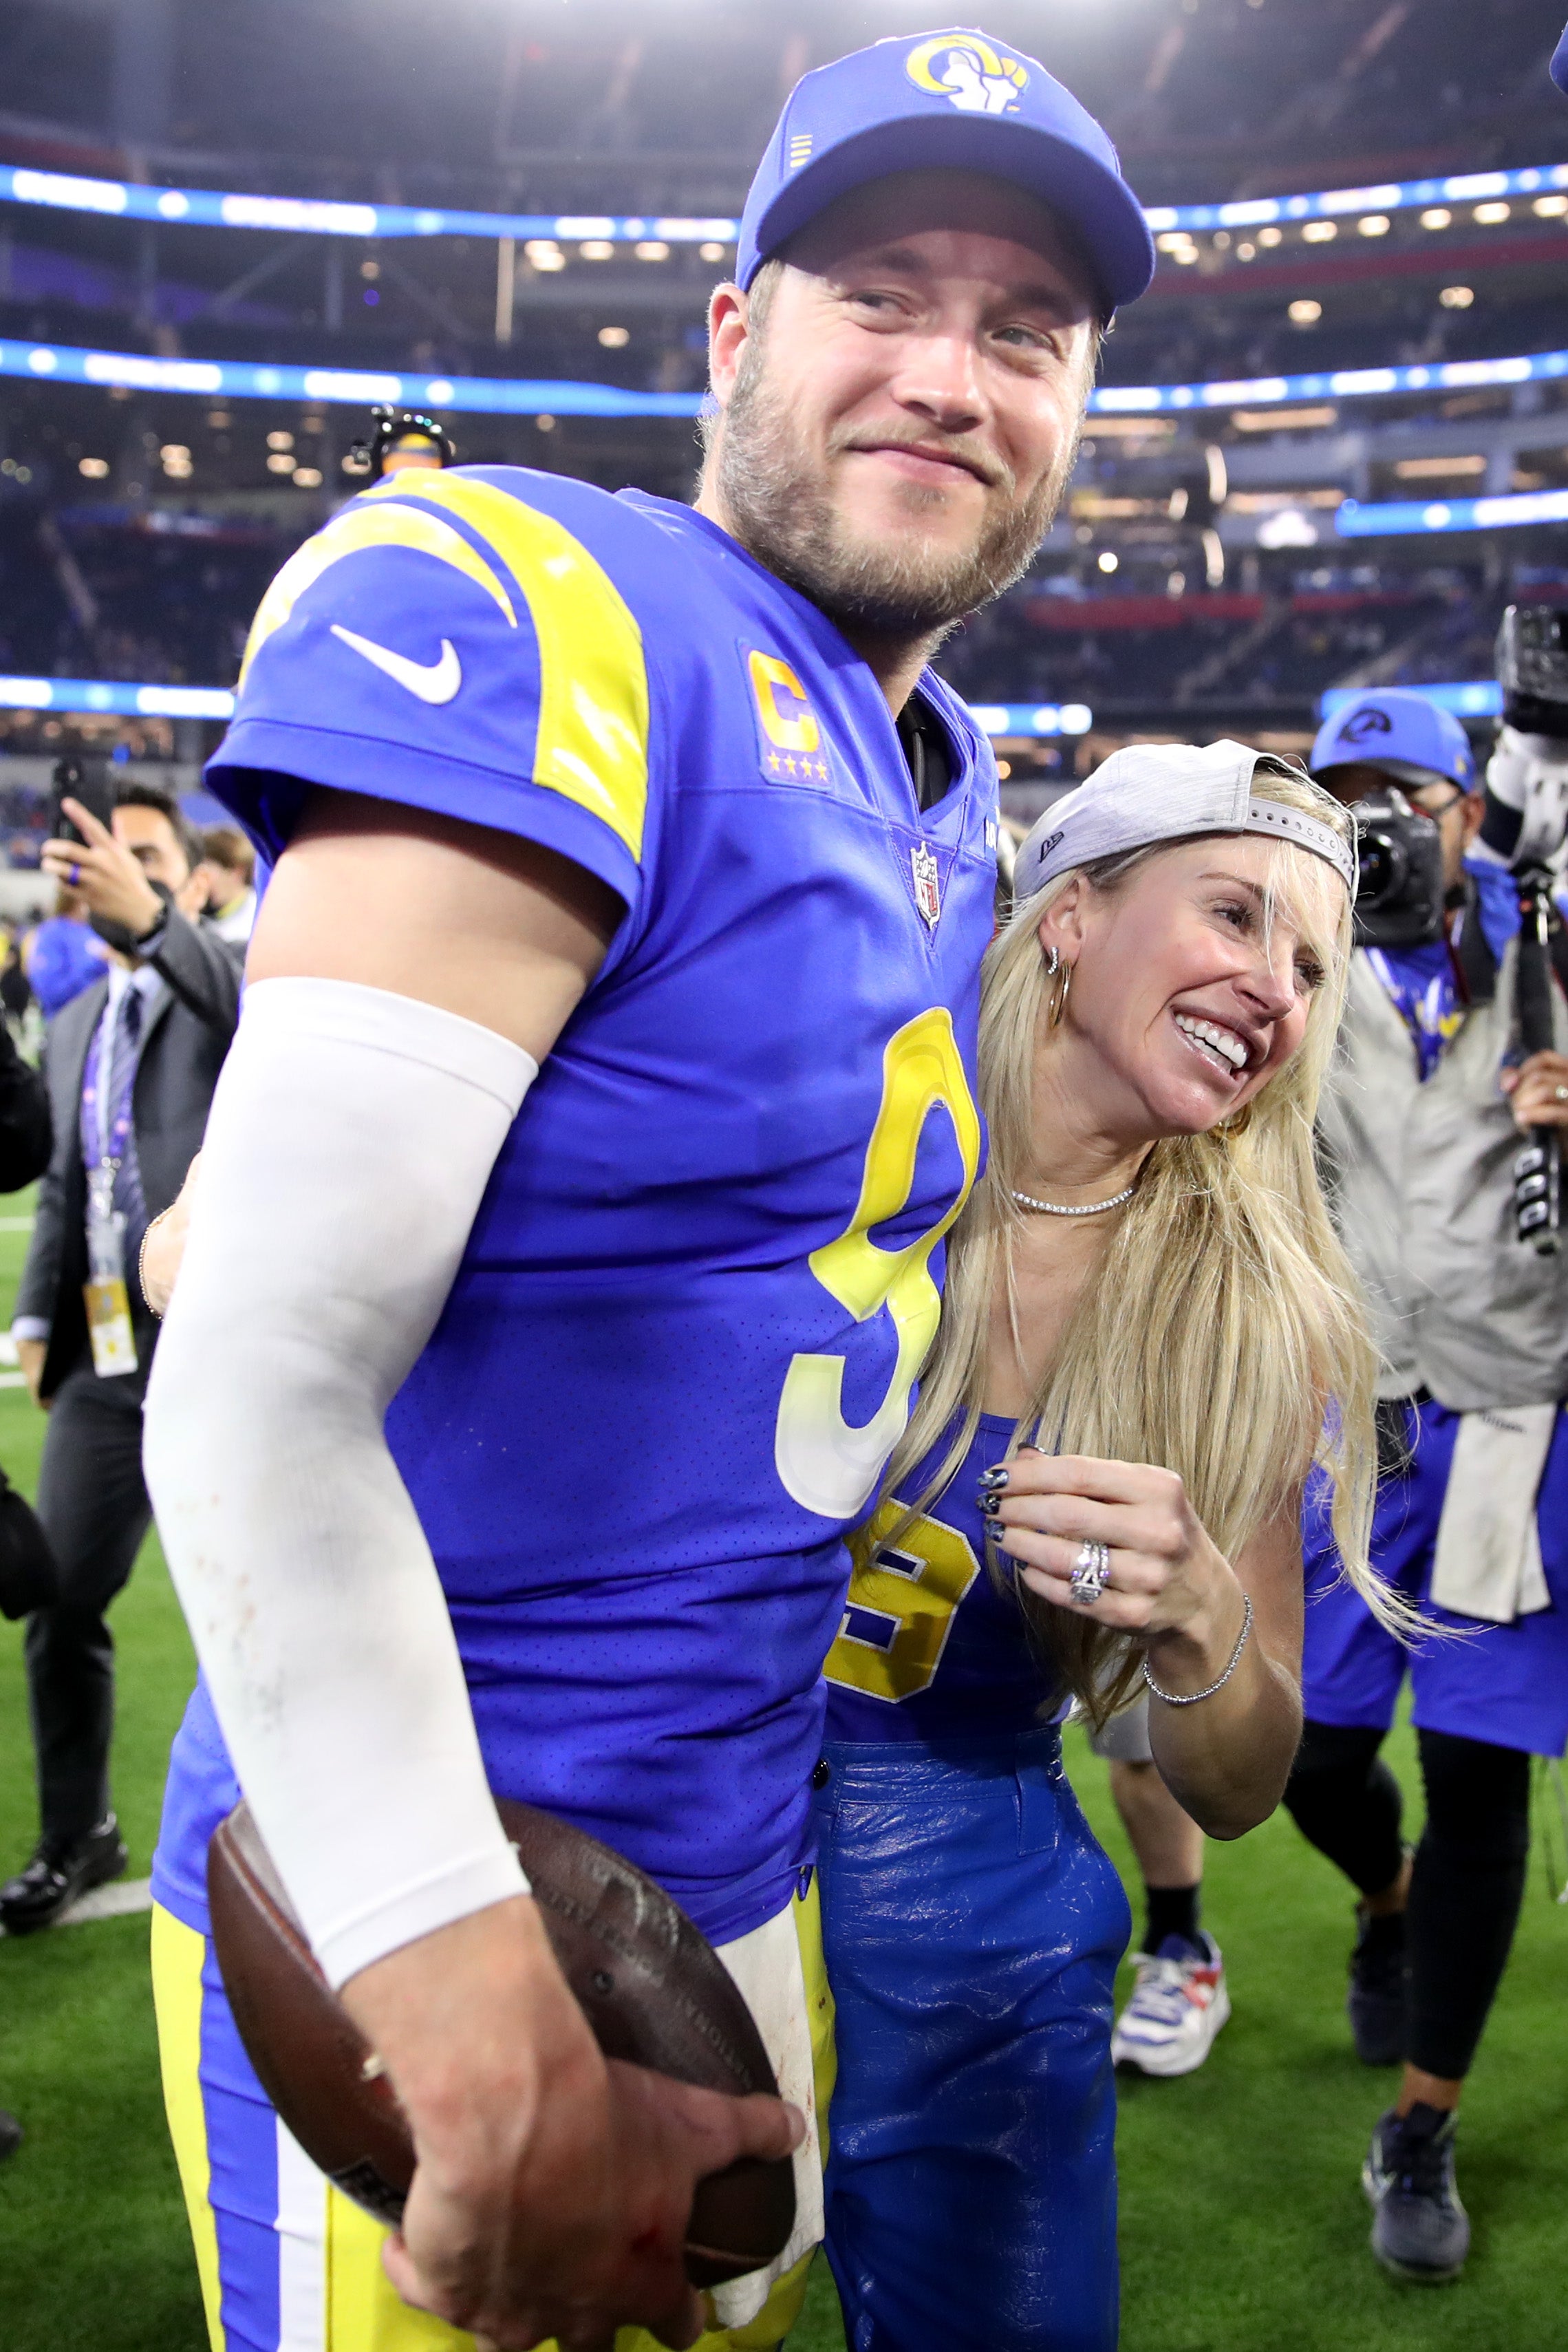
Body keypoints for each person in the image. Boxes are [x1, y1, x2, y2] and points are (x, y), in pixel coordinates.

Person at [138, 30, 1155, 2352]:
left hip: (729, 1874)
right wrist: (445, 1958)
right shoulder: (532, 595)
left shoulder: (943, 772)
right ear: (730, 335)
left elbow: (770, 1299)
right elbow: (265, 1362)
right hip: (440, 1913)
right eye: (877, 291)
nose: (945, 373)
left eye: (1021, 331)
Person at [814, 741, 1382, 2351]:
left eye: (1306, 965)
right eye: (1232, 914)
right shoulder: (821, 1117)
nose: (1272, 986)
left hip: (965, 1887)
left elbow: (1238, 1780)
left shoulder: (1236, 1313)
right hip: (653, 1810)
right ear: (1068, 915)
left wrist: (1201, 1619)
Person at [1278, 686, 1568, 2283]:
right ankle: (1377, 1898)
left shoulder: (1554, 964)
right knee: (1314, 1757)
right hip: (1354, 1424)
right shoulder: (1274, 975)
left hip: (1511, 1425)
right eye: (1345, 794)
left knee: (1475, 1779)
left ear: (1471, 814)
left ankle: (1420, 2121)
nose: (1374, 821)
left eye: (1404, 793)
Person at [0, 782, 242, 1934]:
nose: (103, 864)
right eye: (94, 849)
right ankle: (78, 1830)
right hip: (105, 1355)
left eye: (140, 852)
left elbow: (236, 996)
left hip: (229, 1350)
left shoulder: (233, 983)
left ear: (191, 880)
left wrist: (154, 923)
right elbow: (64, 1183)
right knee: (58, 1593)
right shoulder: (85, 1019)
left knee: (256, 1609)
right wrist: (40, 1321)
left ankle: (279, 1849)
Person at [21, 884, 111, 1021]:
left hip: (102, 1023)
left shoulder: (96, 929)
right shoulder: (51, 933)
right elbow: (50, 991)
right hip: (66, 1024)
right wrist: (96, 963)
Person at [197, 823, 258, 943]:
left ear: (237, 872)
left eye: (208, 871)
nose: (203, 881)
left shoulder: (260, 917)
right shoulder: (202, 920)